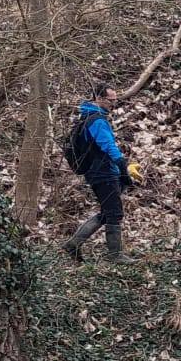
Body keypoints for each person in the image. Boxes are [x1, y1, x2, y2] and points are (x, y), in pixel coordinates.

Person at [62, 85, 143, 263]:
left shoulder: (87, 117)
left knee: (107, 212)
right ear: (98, 98)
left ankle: (73, 244)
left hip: (97, 172)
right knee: (114, 213)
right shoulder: (97, 121)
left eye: (115, 100)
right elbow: (109, 147)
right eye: (110, 100)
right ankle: (115, 254)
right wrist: (123, 167)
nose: (113, 103)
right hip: (103, 173)